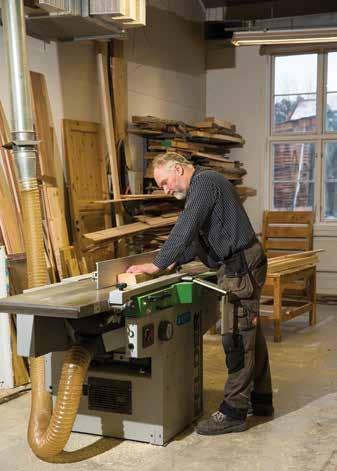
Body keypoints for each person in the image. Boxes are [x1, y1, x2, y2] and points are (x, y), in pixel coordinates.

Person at [126, 152, 273, 435]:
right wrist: (171, 261)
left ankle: (234, 412)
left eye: (165, 182)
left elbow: (185, 228)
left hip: (240, 267)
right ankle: (260, 399)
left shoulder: (205, 183)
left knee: (236, 337)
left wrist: (155, 265)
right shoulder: (204, 186)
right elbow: (196, 240)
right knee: (249, 333)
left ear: (179, 169)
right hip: (238, 264)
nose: (165, 190)